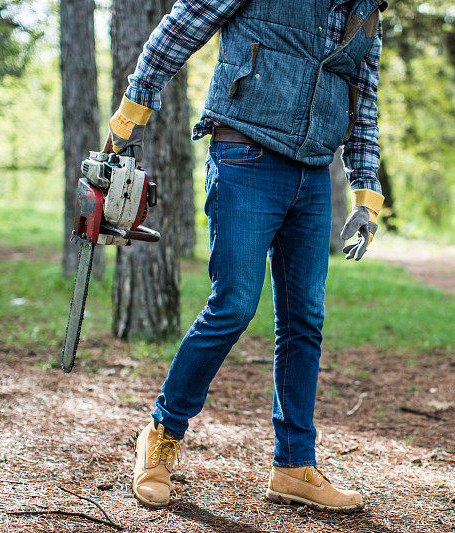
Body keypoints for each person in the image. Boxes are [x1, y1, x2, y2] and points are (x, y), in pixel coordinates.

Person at [106, 0, 387, 512]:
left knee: (304, 318)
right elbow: (185, 23)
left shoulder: (369, 10)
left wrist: (367, 191)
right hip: (246, 154)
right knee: (234, 304)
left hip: (314, 174)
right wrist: (134, 107)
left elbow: (363, 99)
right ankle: (161, 436)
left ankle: (294, 465)